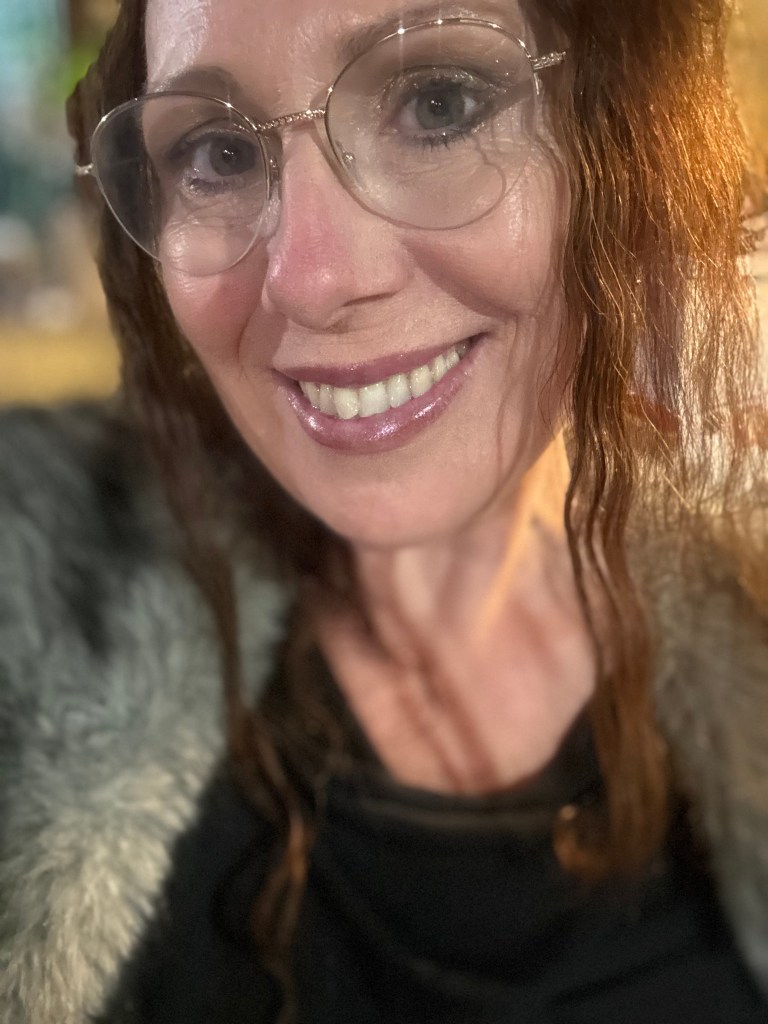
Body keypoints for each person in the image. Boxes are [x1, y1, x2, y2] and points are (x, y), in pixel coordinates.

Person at [1, 0, 767, 1021]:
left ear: (620, 132)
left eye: (439, 104)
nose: (313, 279)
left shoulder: (749, 601)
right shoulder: (41, 608)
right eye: (218, 153)